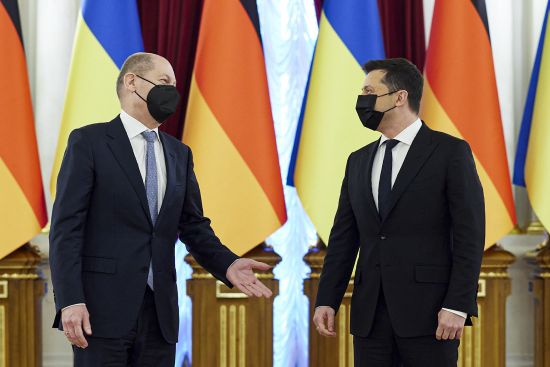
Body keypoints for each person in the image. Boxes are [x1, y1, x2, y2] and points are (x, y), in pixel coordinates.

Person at [50, 52, 273, 366]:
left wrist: (228, 264)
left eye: (175, 85)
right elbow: (66, 230)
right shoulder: (89, 142)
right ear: (132, 82)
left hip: (160, 316)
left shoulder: (179, 153)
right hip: (100, 313)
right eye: (164, 82)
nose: (173, 93)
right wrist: (71, 300)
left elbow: (194, 226)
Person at [312, 58, 485, 366]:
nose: (361, 99)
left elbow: (470, 236)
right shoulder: (358, 161)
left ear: (399, 97)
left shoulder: (449, 152)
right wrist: (327, 298)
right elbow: (343, 239)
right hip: (370, 319)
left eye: (369, 91)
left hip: (431, 317)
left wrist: (458, 305)